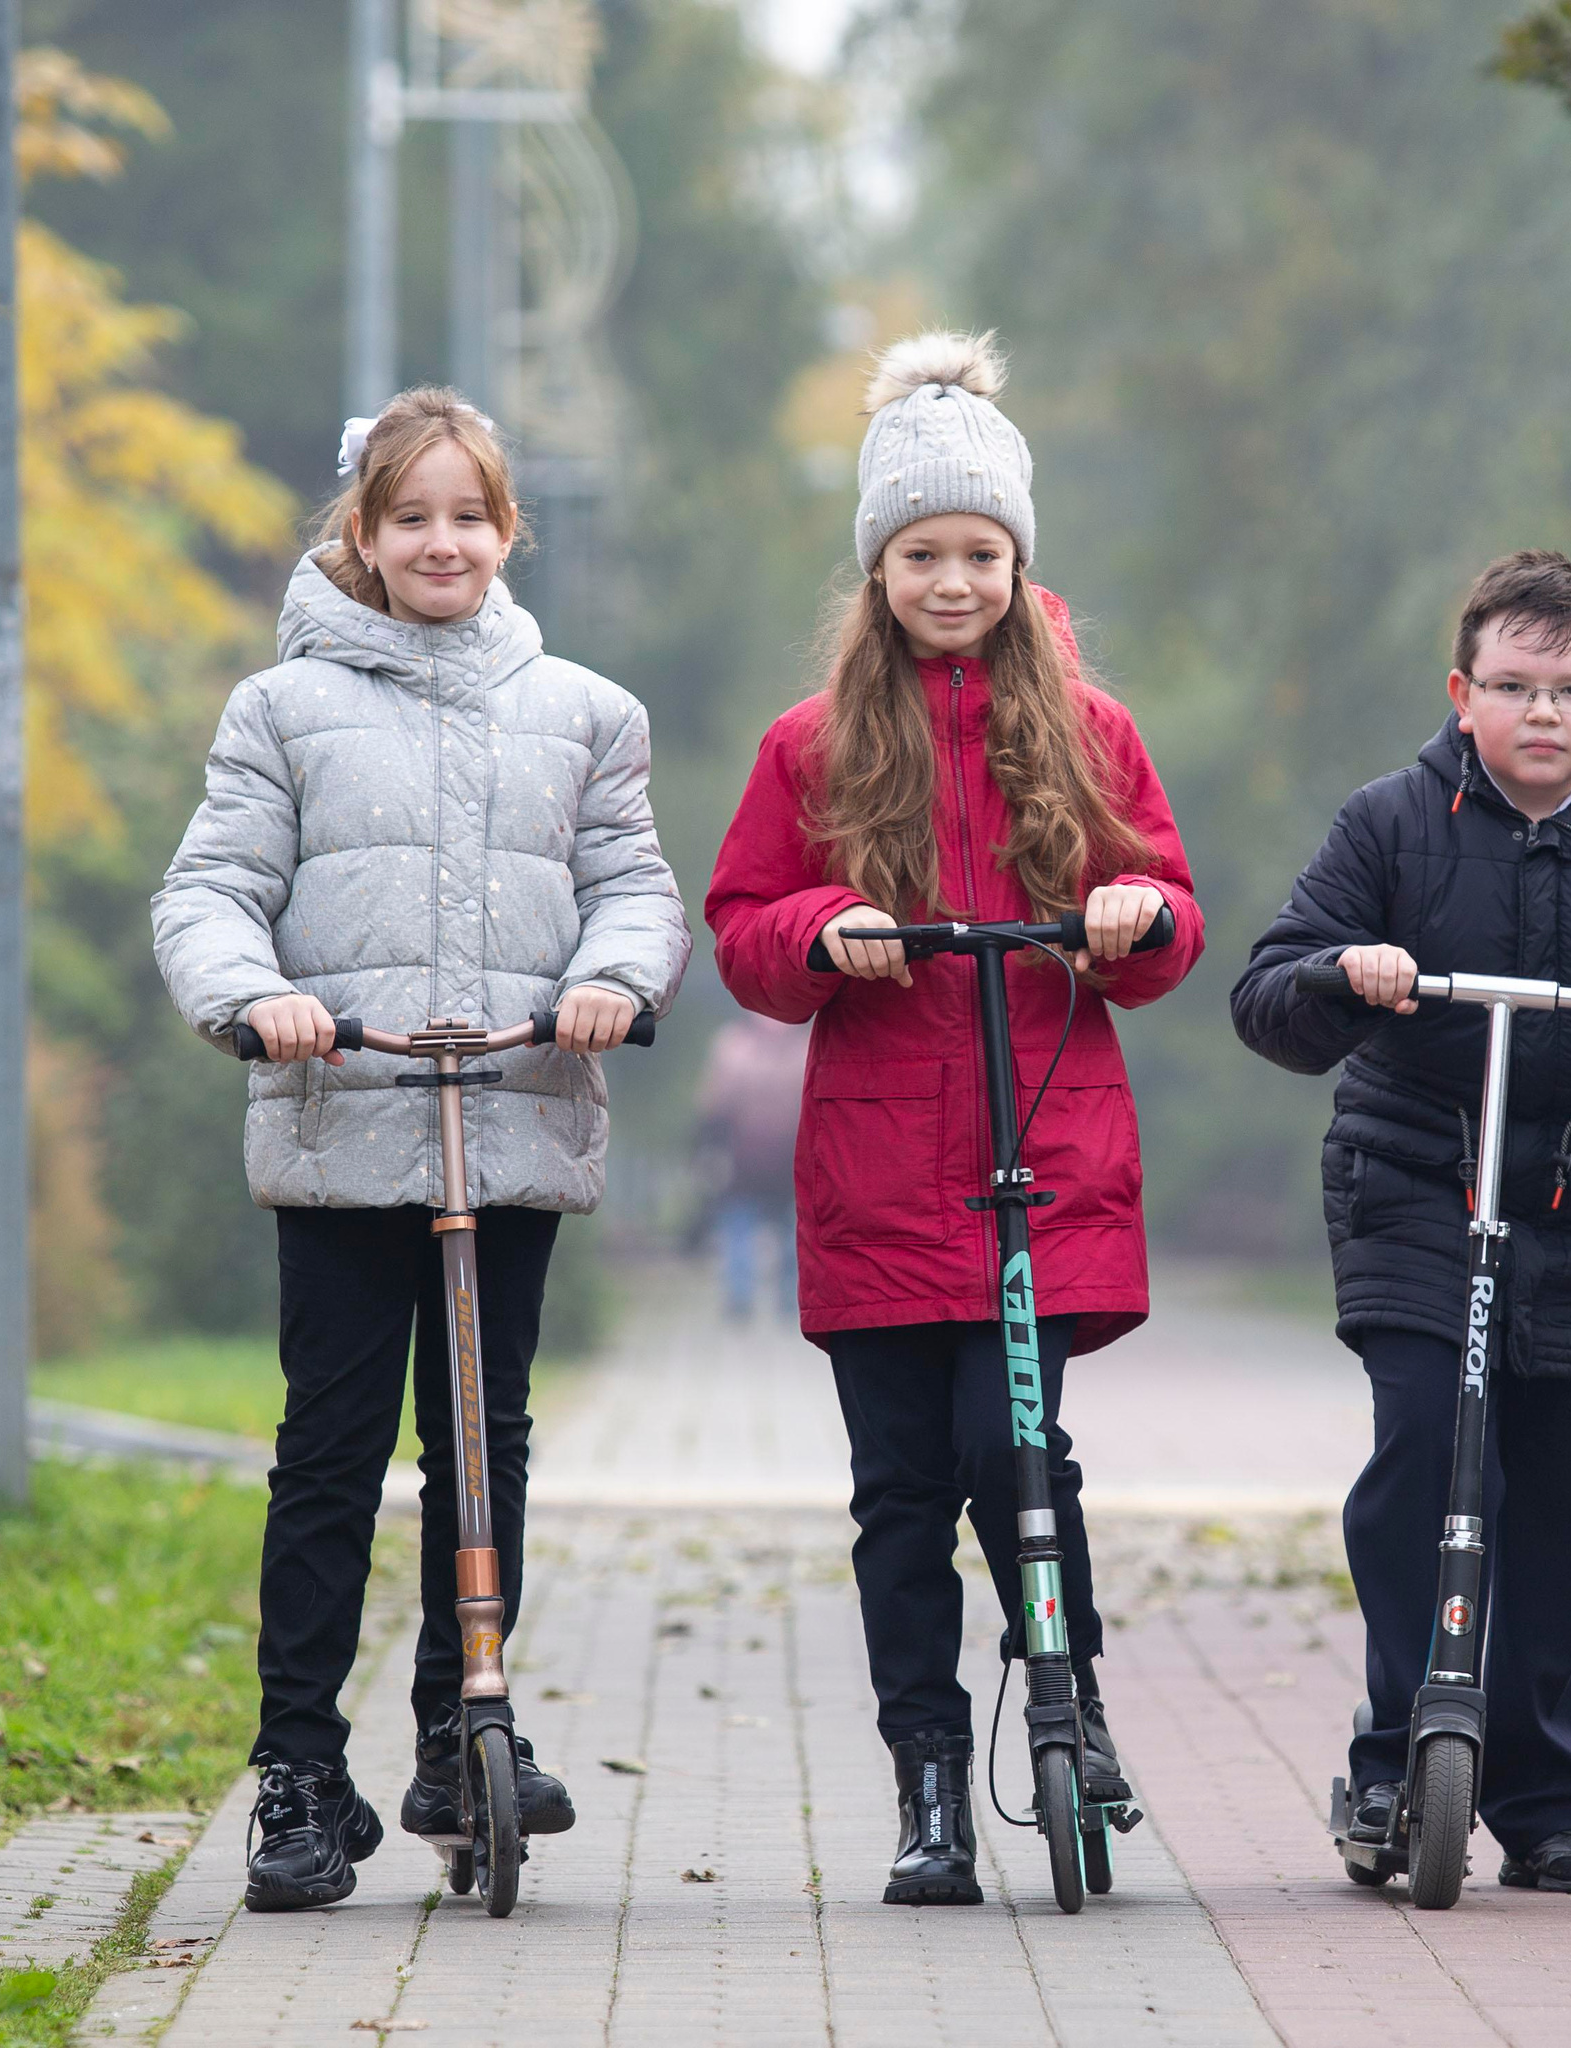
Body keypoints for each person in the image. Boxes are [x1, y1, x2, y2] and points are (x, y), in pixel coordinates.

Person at [152, 389, 690, 1912]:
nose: (441, 542)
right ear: (365, 533)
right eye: (411, 518)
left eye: (468, 516)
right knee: (329, 1452)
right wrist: (257, 999)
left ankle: (465, 1731)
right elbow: (211, 889)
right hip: (344, 1117)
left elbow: (635, 887)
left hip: (511, 1110)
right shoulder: (282, 710)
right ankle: (298, 1769)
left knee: (481, 1438)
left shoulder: (587, 713)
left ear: (507, 531)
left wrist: (611, 979)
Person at [704, 331, 1203, 1906]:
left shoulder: (1089, 732)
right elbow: (744, 928)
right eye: (921, 553)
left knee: (1019, 1450)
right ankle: (928, 1777)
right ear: (878, 566)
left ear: (1018, 562)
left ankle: (1070, 1704)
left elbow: (1170, 914)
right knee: (902, 1493)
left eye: (980, 553)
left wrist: (1129, 916)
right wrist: (822, 929)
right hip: (875, 1171)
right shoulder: (813, 746)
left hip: (1035, 1159)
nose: (952, 580)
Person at [1231, 549, 1571, 1894]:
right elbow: (1269, 997)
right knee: (1422, 1453)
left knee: (1558, 1498)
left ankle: (1548, 1799)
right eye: (1516, 686)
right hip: (1420, 1181)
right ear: (1462, 692)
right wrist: (1346, 973)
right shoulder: (1390, 823)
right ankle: (1392, 1757)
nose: (1544, 712)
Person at [693, 1013, 810, 1319]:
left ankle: (754, 1298)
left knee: (763, 1230)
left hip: (766, 1158)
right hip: (765, 1158)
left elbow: (714, 1102)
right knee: (766, 1229)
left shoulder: (733, 1048)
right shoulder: (802, 1049)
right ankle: (769, 1298)